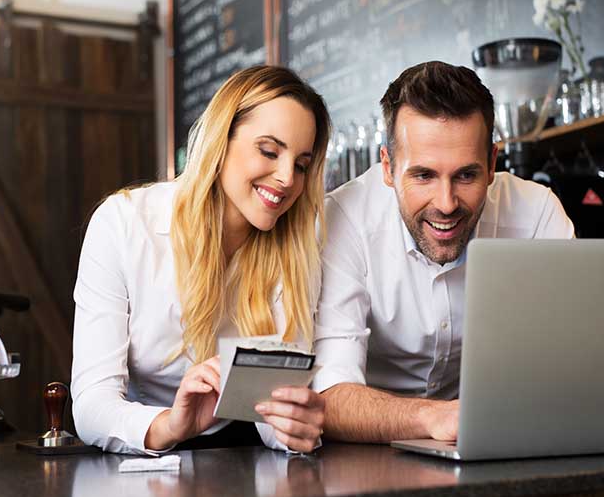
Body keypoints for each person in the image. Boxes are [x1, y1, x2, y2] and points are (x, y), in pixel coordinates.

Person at [71, 66, 330, 455]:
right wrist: (171, 425)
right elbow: (92, 405)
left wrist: (295, 431)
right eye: (269, 151)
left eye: (301, 164)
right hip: (145, 449)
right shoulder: (124, 223)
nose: (287, 178)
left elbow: (274, 415)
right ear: (220, 141)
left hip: (244, 457)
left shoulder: (295, 246)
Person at [313, 61, 575, 443]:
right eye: (423, 175)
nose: (447, 203)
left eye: (466, 175)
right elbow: (329, 396)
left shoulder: (536, 214)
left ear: (492, 164)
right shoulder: (344, 220)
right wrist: (433, 418)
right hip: (367, 449)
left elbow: (573, 361)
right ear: (387, 167)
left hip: (496, 436)